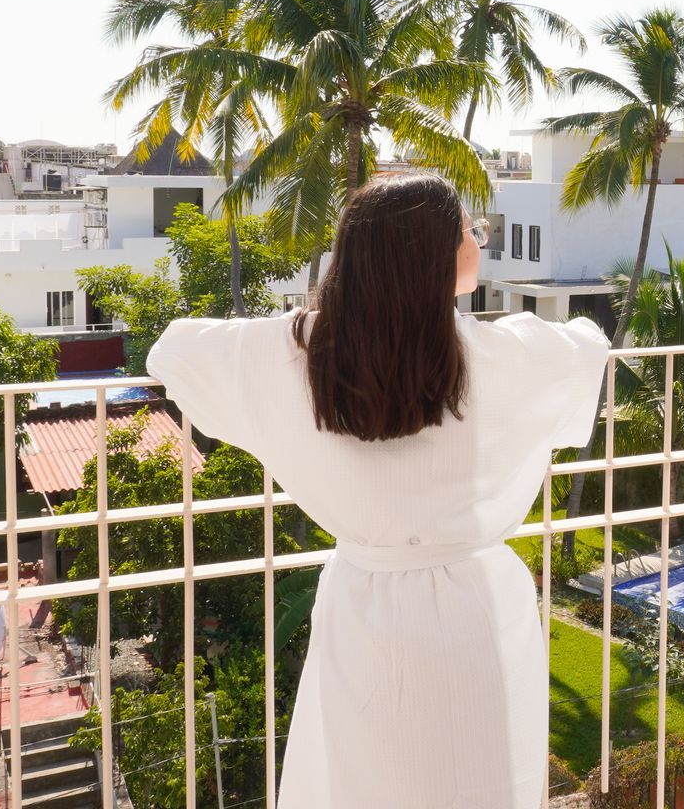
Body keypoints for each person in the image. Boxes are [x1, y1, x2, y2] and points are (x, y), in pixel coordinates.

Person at [147, 172, 609, 807]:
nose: (478, 241)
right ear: (436, 256)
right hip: (477, 609)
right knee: (481, 774)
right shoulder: (506, 356)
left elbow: (174, 352)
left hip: (363, 606)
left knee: (367, 777)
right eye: (468, 231)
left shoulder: (299, 354)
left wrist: (303, 323)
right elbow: (589, 345)